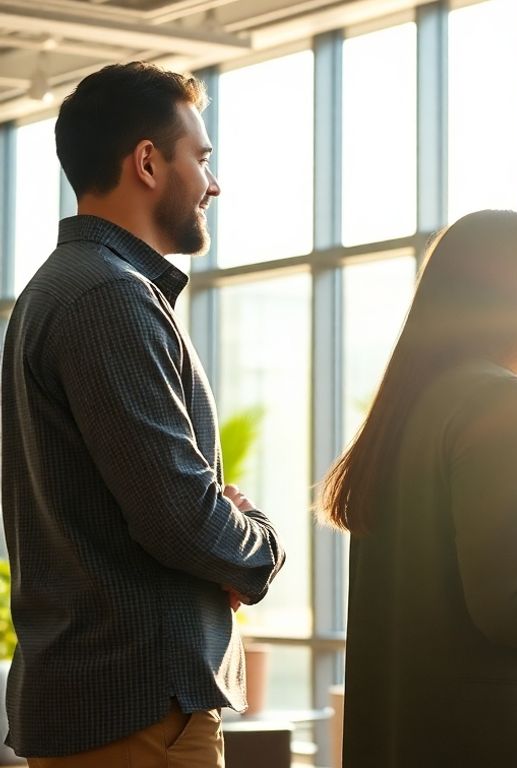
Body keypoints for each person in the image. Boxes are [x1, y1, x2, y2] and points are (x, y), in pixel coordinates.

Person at [1, 62, 286, 767]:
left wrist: (212, 529)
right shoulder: (108, 297)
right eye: (202, 157)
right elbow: (180, 517)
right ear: (149, 162)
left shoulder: (69, 289)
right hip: (138, 712)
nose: (213, 184)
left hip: (112, 706)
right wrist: (261, 543)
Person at [320, 209, 517, 767]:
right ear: (510, 290)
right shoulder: (505, 404)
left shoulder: (414, 408)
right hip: (502, 742)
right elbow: (516, 602)